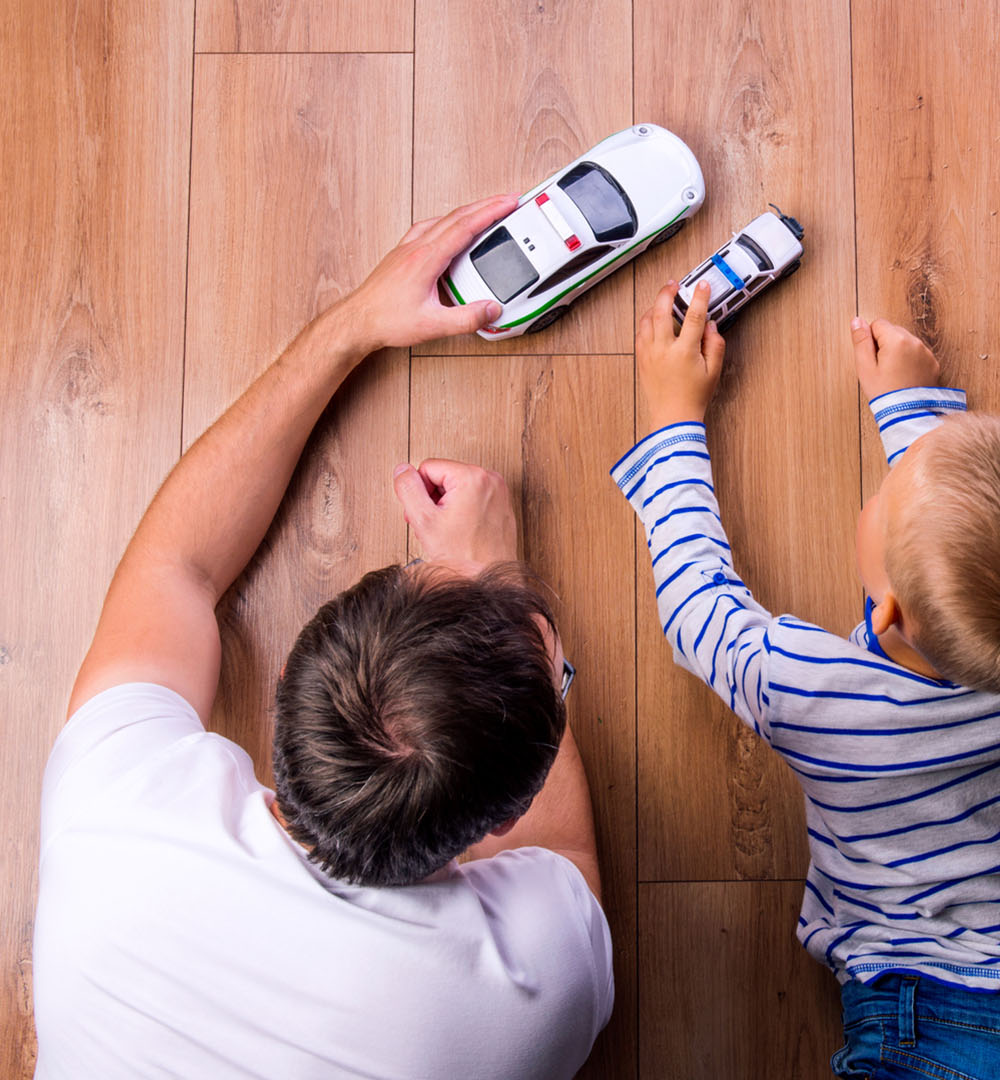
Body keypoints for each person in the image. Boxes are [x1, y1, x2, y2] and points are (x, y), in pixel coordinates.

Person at [32, 195, 613, 1079]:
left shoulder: (115, 807)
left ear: (296, 687)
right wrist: (497, 586)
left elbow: (177, 564)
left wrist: (351, 326)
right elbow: (562, 862)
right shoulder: (529, 997)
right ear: (497, 820)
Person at [616, 281, 1000, 1079]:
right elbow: (984, 548)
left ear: (887, 606)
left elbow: (699, 609)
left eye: (887, 494)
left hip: (937, 1027)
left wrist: (673, 416)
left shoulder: (815, 699)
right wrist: (911, 407)